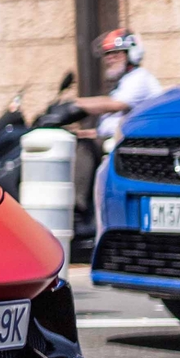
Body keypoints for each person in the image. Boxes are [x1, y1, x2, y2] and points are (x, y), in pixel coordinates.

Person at [72, 29, 164, 248]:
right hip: (116, 143)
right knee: (78, 142)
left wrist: (74, 105)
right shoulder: (122, 84)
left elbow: (116, 105)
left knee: (84, 150)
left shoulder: (138, 79)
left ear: (132, 54)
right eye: (107, 54)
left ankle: (78, 214)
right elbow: (108, 126)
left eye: (117, 53)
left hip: (134, 149)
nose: (110, 58)